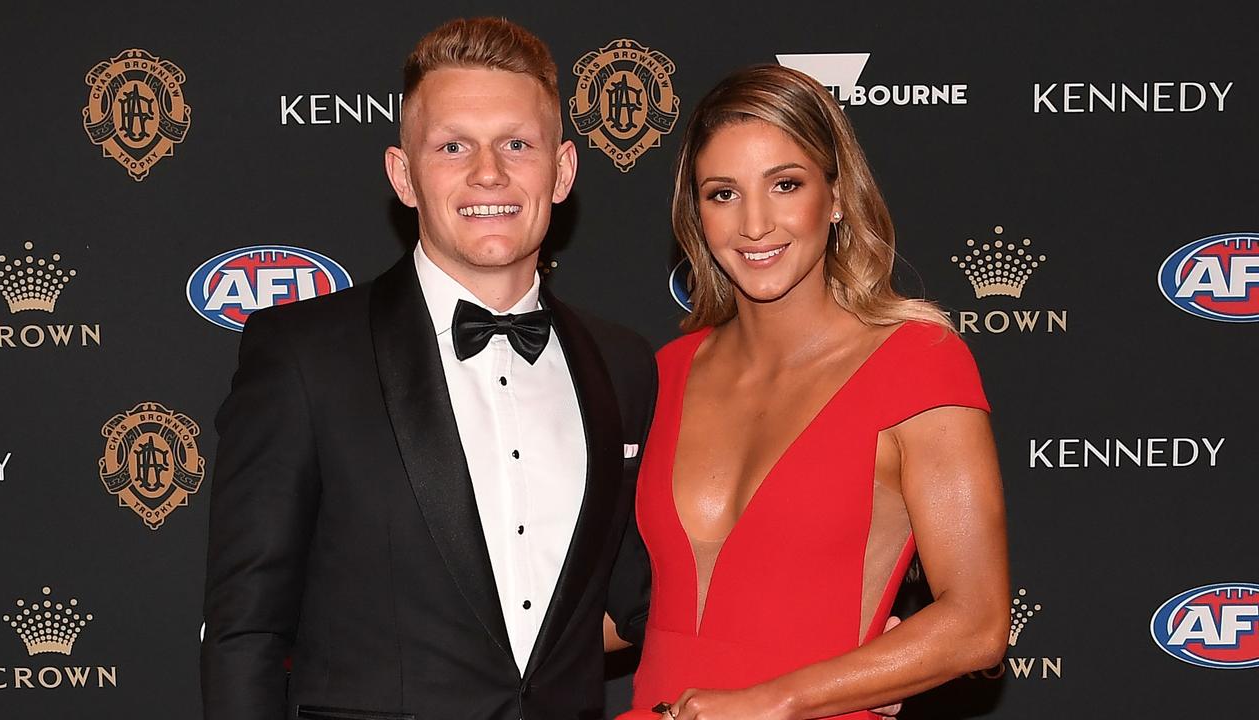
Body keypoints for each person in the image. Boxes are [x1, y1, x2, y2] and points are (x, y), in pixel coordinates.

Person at [200, 18, 656, 720]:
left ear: (561, 170)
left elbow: (642, 595)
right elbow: (246, 631)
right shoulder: (304, 355)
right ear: (403, 175)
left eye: (516, 143)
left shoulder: (621, 363)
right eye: (452, 146)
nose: (489, 173)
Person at [619, 65, 1010, 720]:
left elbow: (976, 623)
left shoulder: (918, 362)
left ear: (834, 197)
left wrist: (775, 701)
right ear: (697, 213)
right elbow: (625, 606)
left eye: (785, 185)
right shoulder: (664, 373)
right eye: (723, 194)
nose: (754, 224)